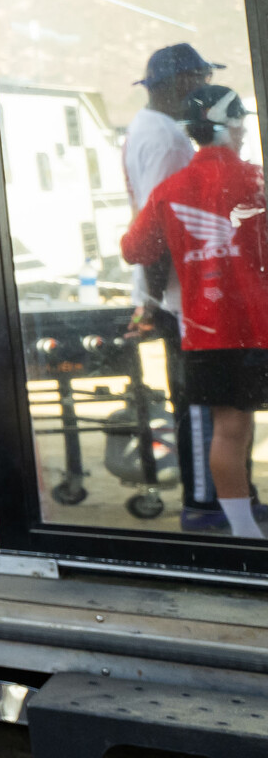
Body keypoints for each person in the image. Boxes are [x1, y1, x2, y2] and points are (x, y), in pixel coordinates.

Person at [123, 84, 267, 540]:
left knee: (229, 431)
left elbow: (135, 248)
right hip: (261, 323)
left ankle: (245, 536)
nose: (245, 129)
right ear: (229, 124)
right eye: (241, 120)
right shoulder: (257, 181)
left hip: (209, 329)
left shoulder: (171, 188)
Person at [123, 44, 222, 530]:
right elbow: (160, 223)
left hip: (174, 293)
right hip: (183, 297)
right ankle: (205, 504)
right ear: (181, 81)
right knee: (201, 400)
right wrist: (156, 299)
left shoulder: (149, 127)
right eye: (201, 76)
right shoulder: (166, 140)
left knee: (204, 398)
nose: (205, 85)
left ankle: (222, 496)